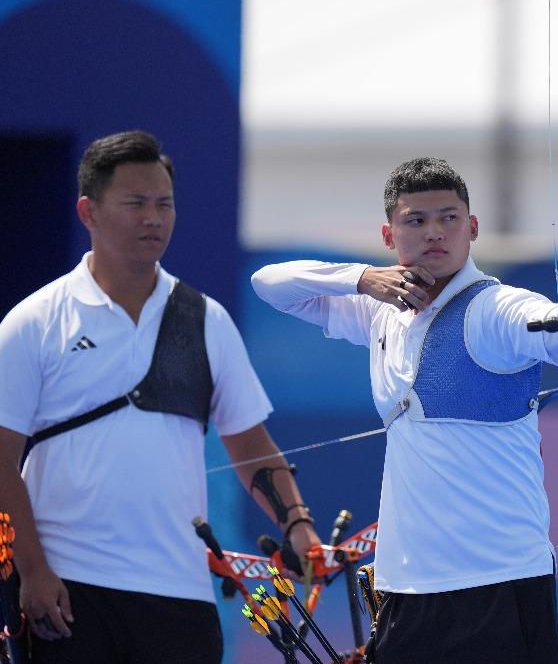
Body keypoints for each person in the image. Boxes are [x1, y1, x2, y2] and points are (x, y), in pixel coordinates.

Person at [251, 157, 558, 662]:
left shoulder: (493, 309)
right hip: (408, 586)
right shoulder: (379, 310)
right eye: (415, 220)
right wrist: (361, 278)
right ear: (388, 233)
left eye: (448, 218)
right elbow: (270, 284)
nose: (434, 232)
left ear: (473, 228)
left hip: (499, 583)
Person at [0, 130, 322, 663]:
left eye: (164, 204)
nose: (153, 218)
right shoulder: (35, 321)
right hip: (67, 589)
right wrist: (32, 571)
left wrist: (297, 523)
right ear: (89, 211)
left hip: (180, 593)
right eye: (135, 203)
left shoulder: (206, 321)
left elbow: (248, 442)